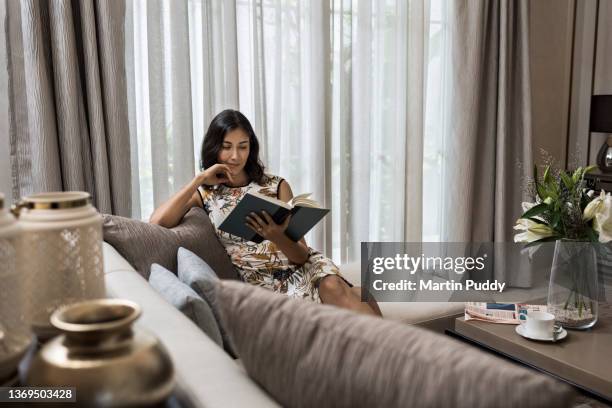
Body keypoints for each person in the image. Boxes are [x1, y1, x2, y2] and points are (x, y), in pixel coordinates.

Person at [150, 109, 381, 316]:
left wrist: (276, 236)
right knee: (351, 298)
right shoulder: (206, 194)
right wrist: (199, 178)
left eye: (243, 146)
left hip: (303, 267)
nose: (235, 156)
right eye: (227, 146)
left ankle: (390, 356)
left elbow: (301, 255)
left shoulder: (277, 185)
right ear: (214, 148)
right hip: (265, 284)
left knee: (332, 287)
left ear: (251, 148)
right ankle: (366, 307)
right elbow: (158, 221)